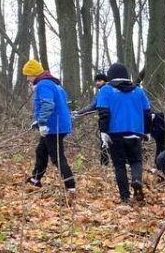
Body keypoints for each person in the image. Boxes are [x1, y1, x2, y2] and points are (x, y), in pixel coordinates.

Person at [95, 62, 152, 205]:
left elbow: (103, 113)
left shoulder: (106, 90)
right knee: (136, 161)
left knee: (119, 165)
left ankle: (125, 197)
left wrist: (103, 132)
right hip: (135, 132)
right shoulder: (138, 91)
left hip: (115, 133)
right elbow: (147, 113)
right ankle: (137, 179)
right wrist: (147, 131)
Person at [23, 59, 76, 193]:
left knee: (57, 156)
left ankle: (70, 185)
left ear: (34, 73)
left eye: (28, 75)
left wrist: (42, 123)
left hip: (53, 126)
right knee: (41, 151)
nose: (27, 78)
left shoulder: (44, 84)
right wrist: (38, 121)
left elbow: (47, 104)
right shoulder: (54, 84)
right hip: (58, 124)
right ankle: (35, 179)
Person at [73, 70, 111, 166]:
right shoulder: (109, 90)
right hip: (112, 121)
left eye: (100, 80)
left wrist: (80, 112)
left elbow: (93, 106)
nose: (97, 83)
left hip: (107, 121)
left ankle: (104, 165)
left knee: (105, 143)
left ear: (105, 81)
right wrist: (80, 112)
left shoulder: (104, 91)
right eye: (96, 81)